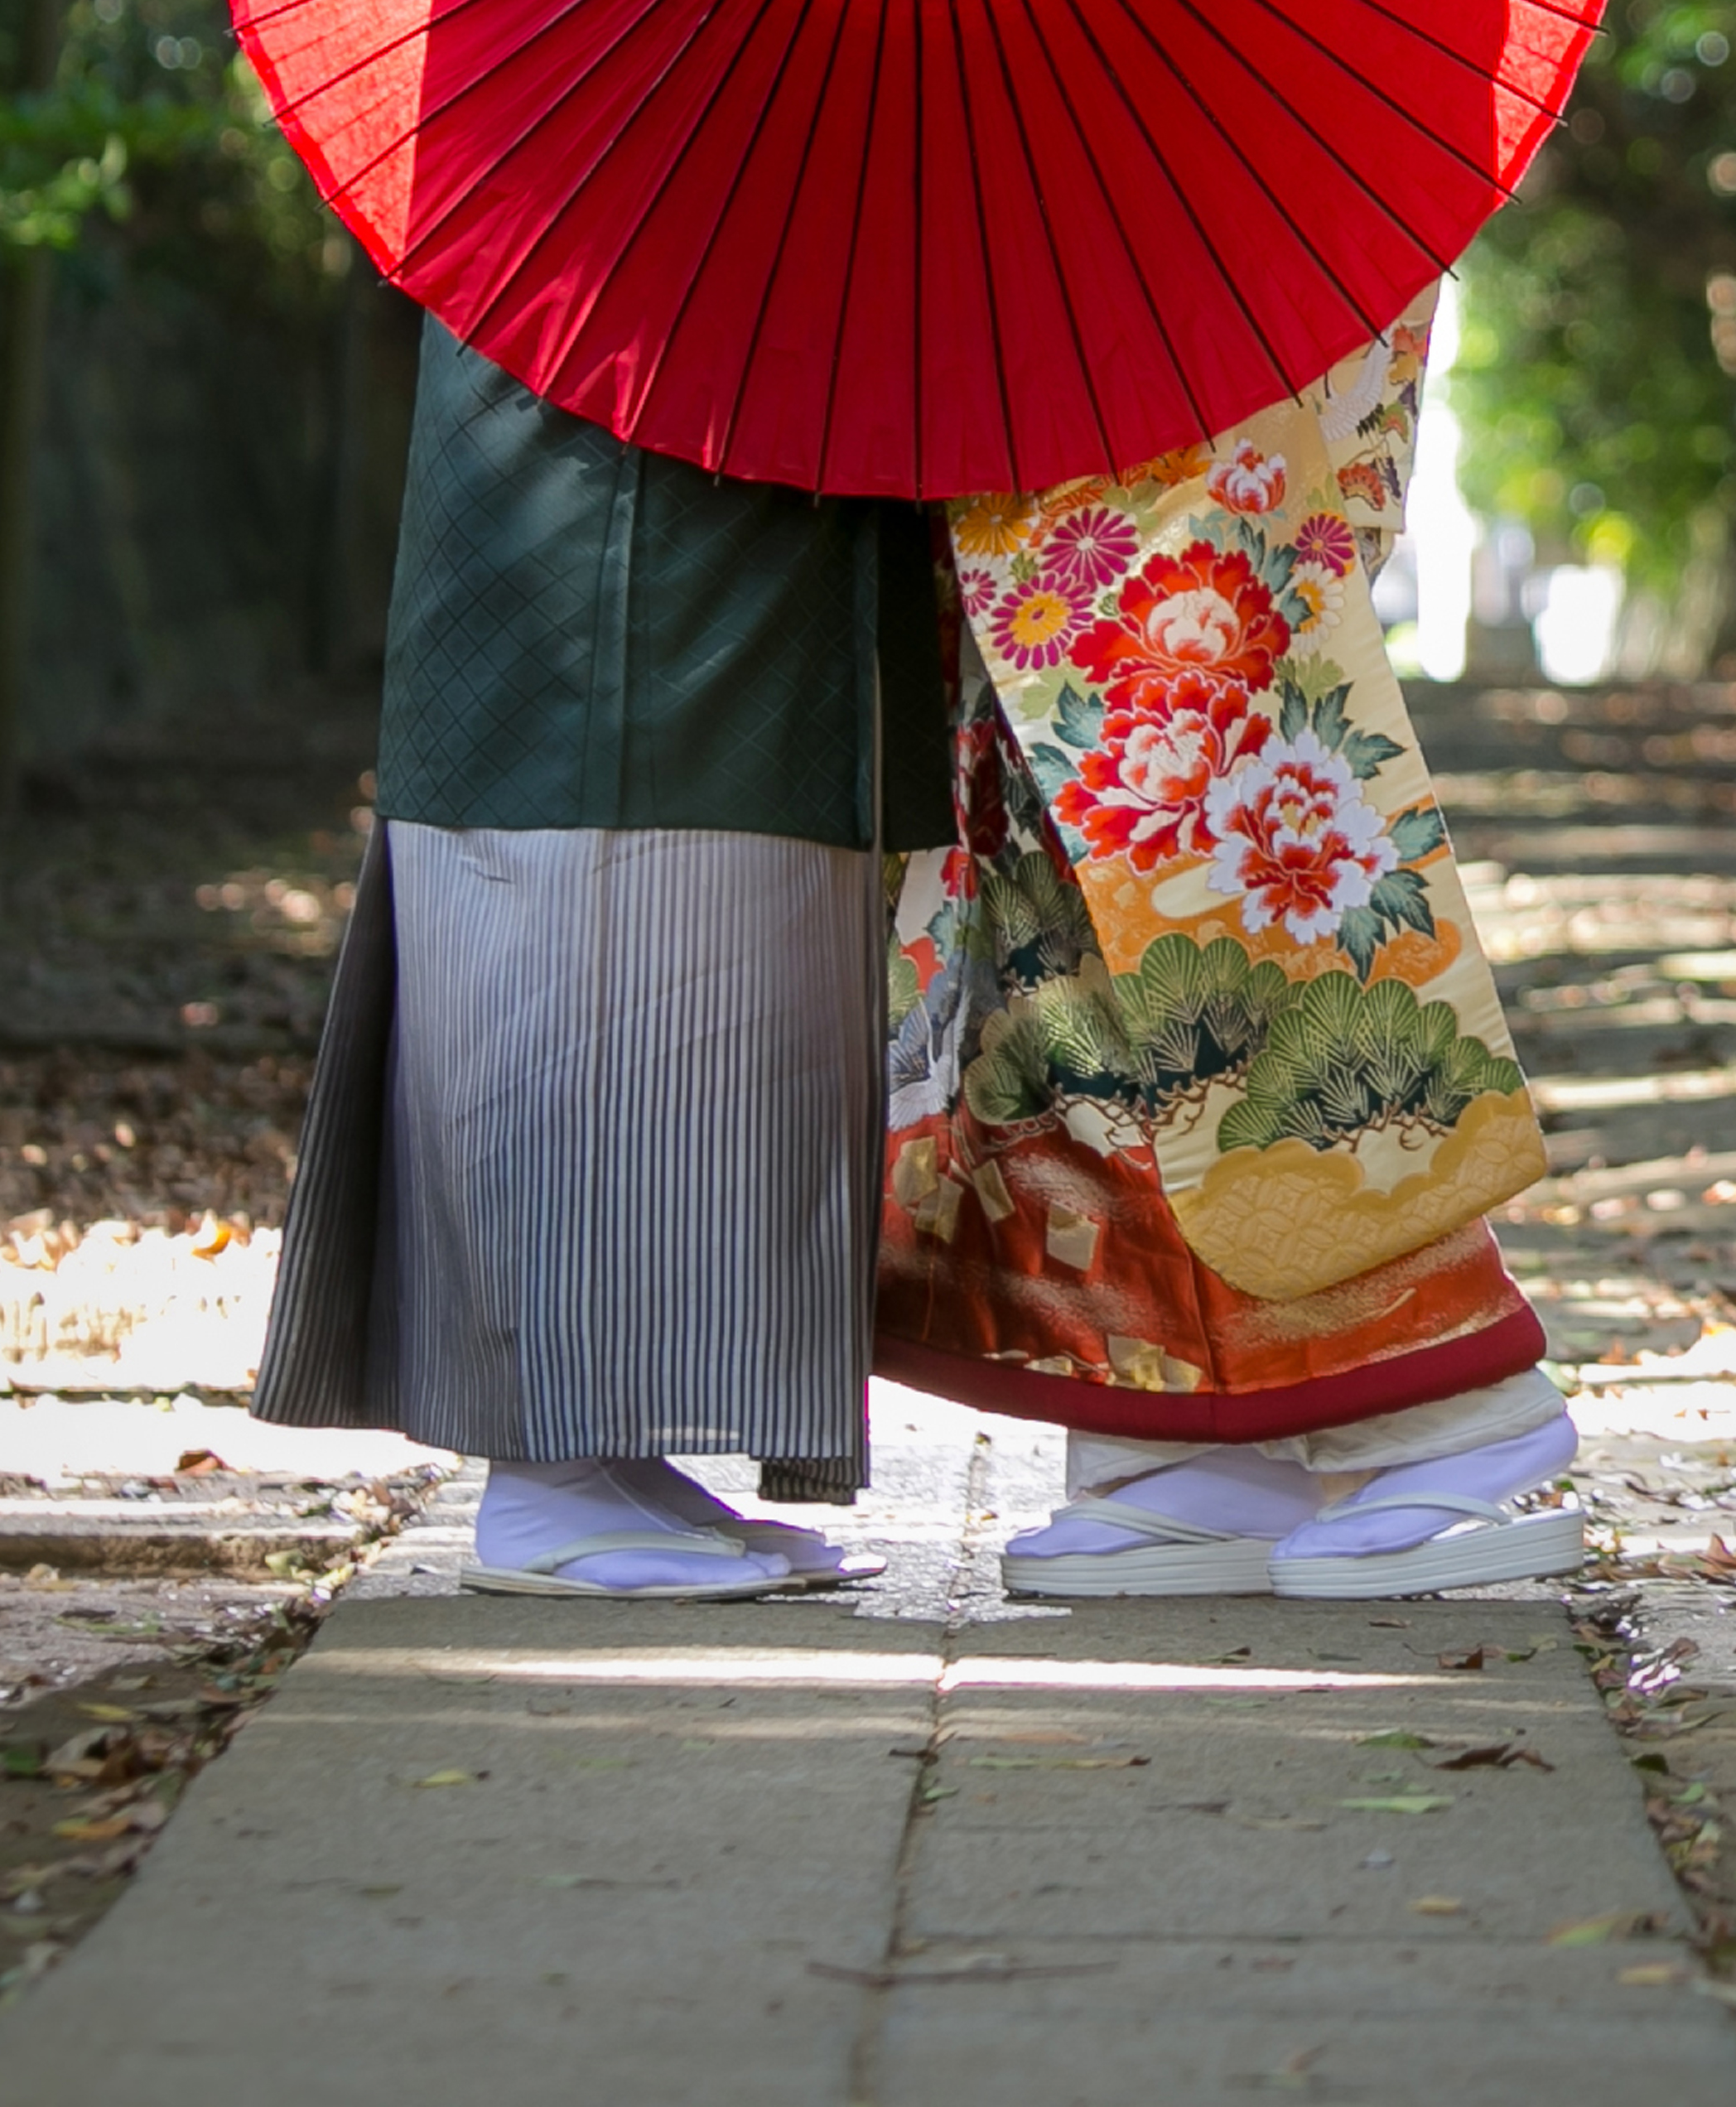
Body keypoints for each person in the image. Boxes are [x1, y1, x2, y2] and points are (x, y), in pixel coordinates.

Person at [255, 285, 1578, 1600]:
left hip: (1147, 312)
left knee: (1199, 820)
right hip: (973, 336)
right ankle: (1185, 1424)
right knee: (1061, 862)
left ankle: (1436, 1401)